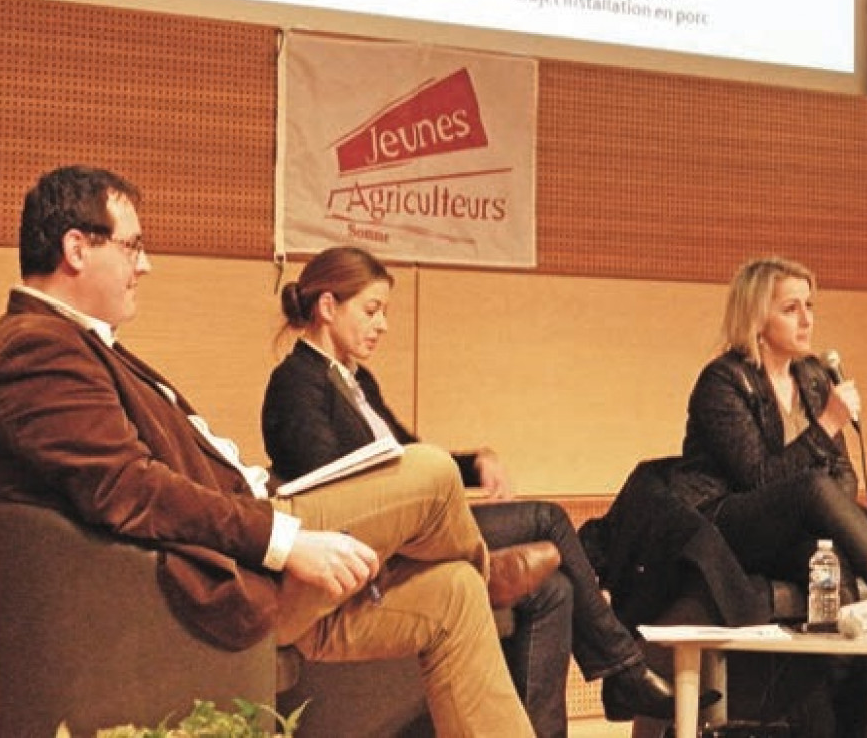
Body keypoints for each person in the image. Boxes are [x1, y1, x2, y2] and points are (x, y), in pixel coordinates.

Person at [0, 166, 540, 737]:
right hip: (222, 570)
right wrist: (285, 541)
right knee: (429, 471)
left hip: (249, 536)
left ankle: (471, 573)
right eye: (134, 246)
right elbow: (130, 489)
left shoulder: (75, 344)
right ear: (77, 247)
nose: (144, 264)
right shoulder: (35, 349)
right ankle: (485, 563)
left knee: (454, 593)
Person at [261, 246, 711, 737]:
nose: (383, 325)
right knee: (549, 520)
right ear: (328, 307)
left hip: (413, 526)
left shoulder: (355, 380)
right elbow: (329, 482)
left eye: (385, 312)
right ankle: (619, 666)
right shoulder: (296, 382)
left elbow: (405, 453)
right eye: (372, 311)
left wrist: (472, 463)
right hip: (369, 539)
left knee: (553, 589)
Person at [673, 256, 867, 603]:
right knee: (812, 486)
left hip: (792, 527)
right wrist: (828, 424)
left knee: (831, 569)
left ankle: (857, 653)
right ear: (757, 318)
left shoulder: (812, 376)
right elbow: (757, 478)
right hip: (723, 524)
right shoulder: (724, 381)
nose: (807, 320)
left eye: (809, 306)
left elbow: (843, 474)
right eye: (791, 309)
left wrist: (828, 523)